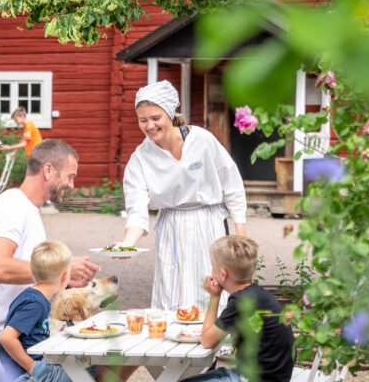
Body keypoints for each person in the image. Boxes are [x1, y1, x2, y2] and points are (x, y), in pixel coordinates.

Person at [112, 80, 247, 311]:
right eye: (142, 120)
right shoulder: (140, 159)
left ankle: (216, 343)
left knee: (212, 288)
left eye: (156, 118)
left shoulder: (201, 140)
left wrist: (240, 238)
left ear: (170, 113)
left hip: (209, 224)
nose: (150, 125)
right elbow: (136, 210)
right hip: (171, 227)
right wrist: (126, 244)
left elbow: (232, 184)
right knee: (172, 292)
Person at [0, 139, 100, 336]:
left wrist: (64, 281)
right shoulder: (12, 206)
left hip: (28, 325)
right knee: (113, 353)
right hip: (8, 337)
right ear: (48, 170)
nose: (71, 184)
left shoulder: (28, 209)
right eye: (69, 176)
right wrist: (62, 269)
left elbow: (33, 275)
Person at [189, 235, 294, 382]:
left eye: (213, 268)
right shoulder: (257, 295)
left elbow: (207, 341)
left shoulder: (241, 301)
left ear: (223, 274)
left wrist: (214, 297)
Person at [0, 240, 95, 381]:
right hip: (27, 374)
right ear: (64, 276)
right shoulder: (34, 303)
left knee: (83, 363)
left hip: (41, 365)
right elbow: (6, 337)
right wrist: (32, 367)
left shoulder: (37, 297)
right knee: (86, 366)